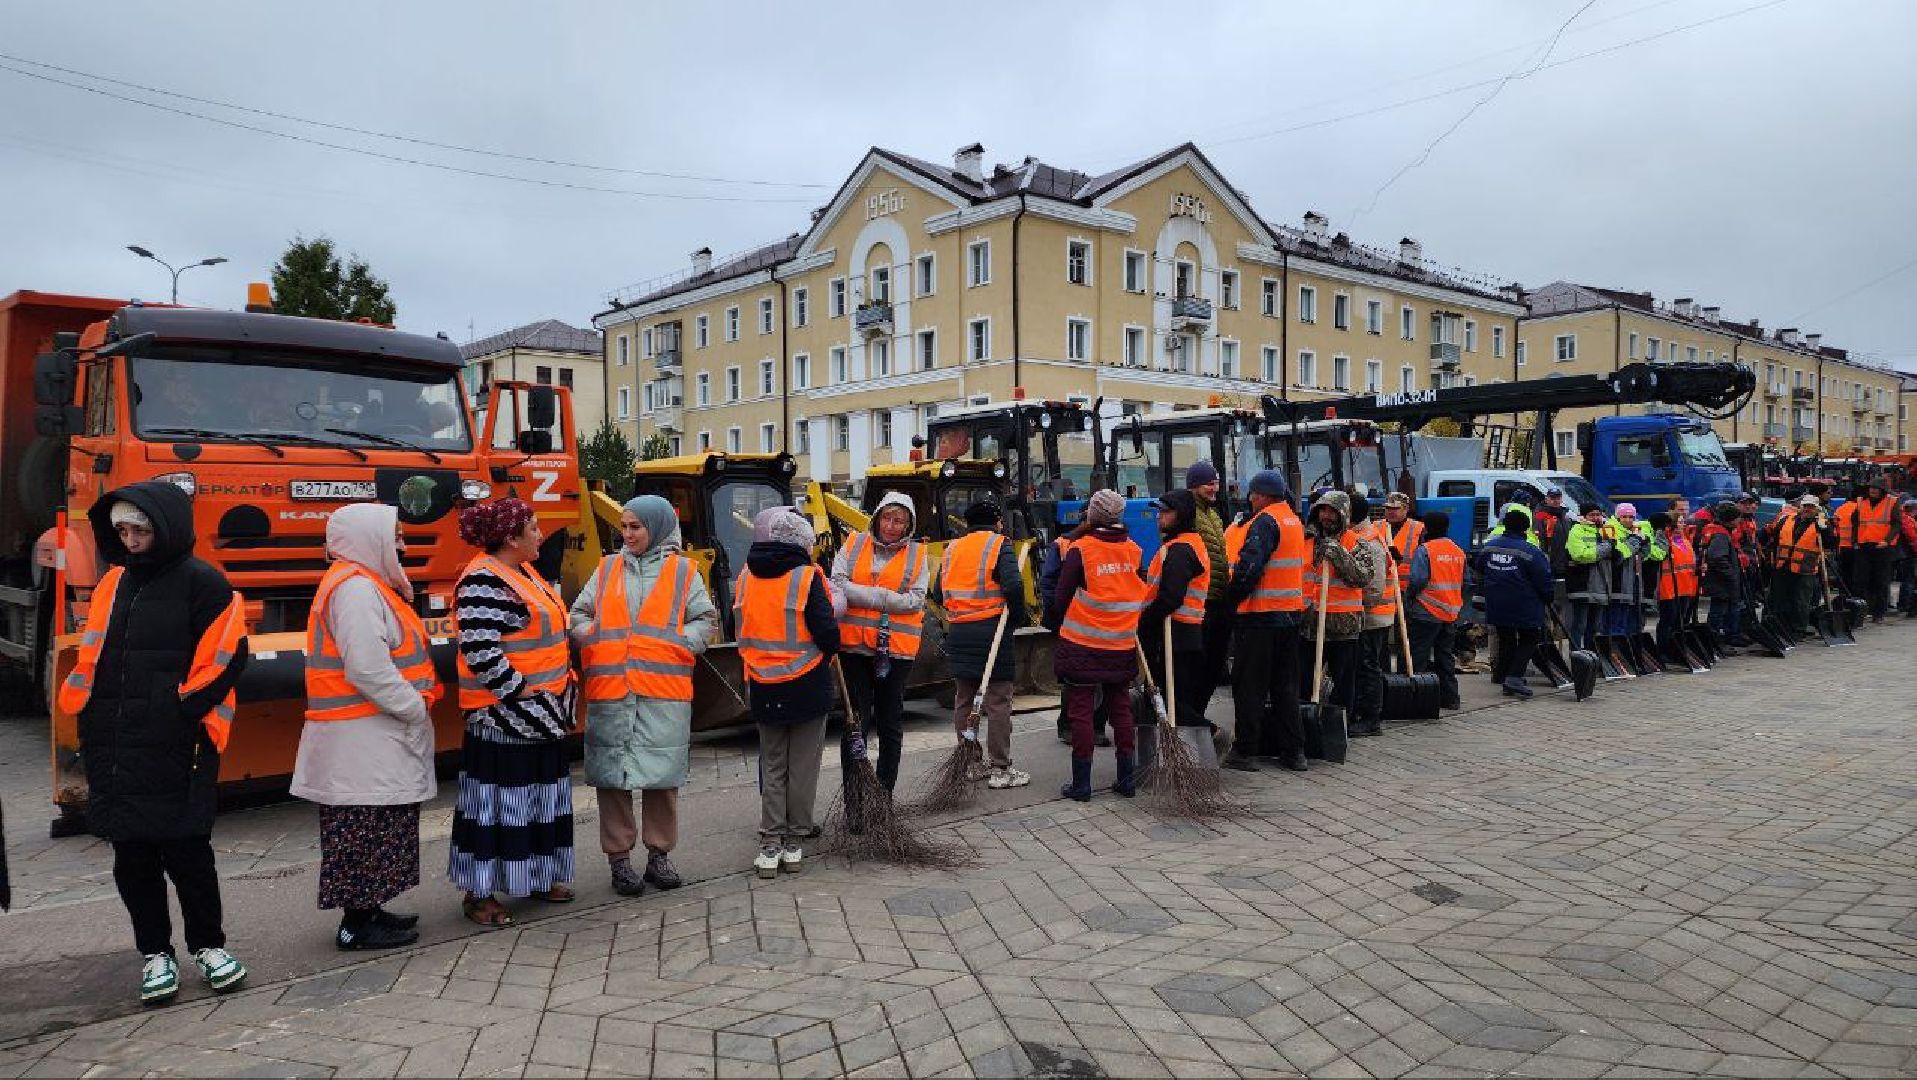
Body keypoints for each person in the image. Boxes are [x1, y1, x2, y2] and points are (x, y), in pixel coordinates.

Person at [63, 481, 250, 1004]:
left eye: (139, 529)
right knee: (133, 858)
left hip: (177, 744)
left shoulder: (204, 584)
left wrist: (180, 711)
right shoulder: (112, 582)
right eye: (121, 530)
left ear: (164, 527)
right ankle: (155, 954)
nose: (129, 539)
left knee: (188, 852)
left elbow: (227, 656)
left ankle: (209, 947)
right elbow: (96, 657)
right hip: (115, 744)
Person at [293, 503, 440, 951]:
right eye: (394, 534)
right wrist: (413, 707)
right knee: (362, 832)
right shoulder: (356, 590)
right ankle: (356, 924)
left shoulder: (363, 585)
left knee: (376, 828)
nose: (401, 542)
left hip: (367, 736)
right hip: (362, 737)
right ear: (367, 538)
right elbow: (367, 668)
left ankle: (370, 909)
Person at [570, 495, 717, 897]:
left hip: (661, 693)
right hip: (612, 690)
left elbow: (705, 622)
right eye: (625, 527)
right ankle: (619, 860)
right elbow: (578, 615)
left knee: (661, 779)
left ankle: (659, 856)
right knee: (612, 780)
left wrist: (676, 645)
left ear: (658, 527)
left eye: (636, 527)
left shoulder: (684, 572)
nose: (628, 534)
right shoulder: (606, 569)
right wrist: (593, 638)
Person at [449, 499, 578, 929]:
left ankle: (538, 876)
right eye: (535, 528)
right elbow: (482, 652)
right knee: (497, 807)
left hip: (542, 717)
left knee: (541, 803)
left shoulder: (523, 572)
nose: (541, 534)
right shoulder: (483, 580)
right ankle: (479, 893)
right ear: (511, 537)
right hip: (506, 719)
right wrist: (522, 695)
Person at [739, 507, 841, 877]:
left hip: (763, 683)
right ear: (801, 542)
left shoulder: (745, 577)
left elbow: (741, 628)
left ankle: (770, 843)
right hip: (806, 682)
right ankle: (795, 842)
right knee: (802, 767)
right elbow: (827, 633)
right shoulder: (806, 578)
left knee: (773, 764)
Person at [1045, 489, 1145, 801]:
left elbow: (1061, 597)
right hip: (1122, 643)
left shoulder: (1081, 549)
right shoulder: (1134, 550)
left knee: (1081, 712)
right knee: (1121, 709)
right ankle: (1127, 779)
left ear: (1093, 515)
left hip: (1083, 643)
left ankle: (1082, 784)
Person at [831, 493, 929, 804]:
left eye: (898, 520)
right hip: (854, 649)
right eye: (886, 518)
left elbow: (916, 600)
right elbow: (836, 583)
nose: (891, 525)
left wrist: (865, 595)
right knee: (855, 722)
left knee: (890, 722)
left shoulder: (917, 555)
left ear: (908, 525)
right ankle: (855, 803)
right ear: (876, 517)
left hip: (895, 653)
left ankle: (883, 798)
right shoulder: (853, 543)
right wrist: (887, 598)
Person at [935, 500, 1031, 790]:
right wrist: (1018, 616)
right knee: (998, 700)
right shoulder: (999, 544)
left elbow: (938, 593)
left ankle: (970, 763)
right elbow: (1013, 586)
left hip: (960, 630)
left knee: (964, 698)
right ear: (997, 521)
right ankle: (1000, 768)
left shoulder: (952, 549)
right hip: (993, 630)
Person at [1223, 470, 1310, 772]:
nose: (1250, 499)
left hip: (1260, 617)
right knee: (1285, 686)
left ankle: (1245, 751)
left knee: (1250, 686)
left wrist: (1230, 600)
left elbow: (1249, 566)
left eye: (1252, 495)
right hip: (1289, 616)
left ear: (1259, 495)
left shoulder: (1265, 522)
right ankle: (1294, 752)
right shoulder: (1293, 521)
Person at [1140, 490, 1212, 757]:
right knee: (1173, 696)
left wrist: (1145, 620)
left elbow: (1171, 596)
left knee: (1171, 697)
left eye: (1166, 512)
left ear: (1180, 515)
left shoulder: (1181, 549)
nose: (1160, 517)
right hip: (1182, 630)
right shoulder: (1183, 544)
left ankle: (1209, 734)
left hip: (1177, 631)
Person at [1303, 490, 1373, 728]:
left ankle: (1340, 724)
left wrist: (1339, 554)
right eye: (1322, 510)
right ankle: (1307, 724)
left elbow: (1363, 577)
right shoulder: (1307, 541)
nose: (1326, 516)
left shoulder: (1355, 542)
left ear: (1343, 513)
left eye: (1332, 511)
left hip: (1344, 625)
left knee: (1344, 682)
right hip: (1310, 624)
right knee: (1305, 679)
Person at [1473, 510, 1555, 698]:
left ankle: (1503, 675)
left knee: (1506, 638)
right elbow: (1543, 579)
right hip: (1524, 604)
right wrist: (1548, 597)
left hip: (1496, 602)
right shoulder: (1531, 552)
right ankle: (1514, 677)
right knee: (1529, 638)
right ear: (1526, 528)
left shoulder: (1488, 548)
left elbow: (1478, 569)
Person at [1402, 511, 1465, 710]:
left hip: (1425, 611)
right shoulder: (1457, 550)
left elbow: (1418, 580)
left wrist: (1409, 597)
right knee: (1445, 657)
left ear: (1426, 528)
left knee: (1417, 658)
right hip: (1450, 613)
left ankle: (1416, 700)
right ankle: (1451, 698)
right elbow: (1465, 581)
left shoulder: (1425, 550)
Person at [1186, 461, 1233, 718]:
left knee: (1214, 666)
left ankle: (1197, 714)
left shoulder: (1213, 515)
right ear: (1194, 486)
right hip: (1200, 602)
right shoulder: (1188, 514)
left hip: (1217, 600)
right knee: (1199, 665)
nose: (1214, 487)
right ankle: (1191, 716)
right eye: (1208, 483)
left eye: (1216, 482)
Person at [1350, 495, 1394, 738]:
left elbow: (1374, 589)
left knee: (1368, 667)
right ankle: (1362, 712)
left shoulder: (1369, 541)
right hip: (1365, 616)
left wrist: (1356, 606)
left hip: (1371, 616)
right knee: (1362, 666)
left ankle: (1371, 718)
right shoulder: (1359, 536)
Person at [1836, 479, 1898, 622]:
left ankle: (1878, 613)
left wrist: (1886, 541)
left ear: (1882, 491)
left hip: (1882, 547)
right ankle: (1859, 612)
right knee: (1860, 580)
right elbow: (1855, 521)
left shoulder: (1892, 502)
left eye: (1876, 489)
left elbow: (1896, 523)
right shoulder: (1861, 502)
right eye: (1871, 489)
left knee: (1881, 581)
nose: (1873, 491)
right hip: (1863, 546)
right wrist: (1855, 541)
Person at [1768, 495, 1825, 638]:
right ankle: (1781, 625)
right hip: (1783, 565)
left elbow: (1830, 541)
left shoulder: (1821, 523)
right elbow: (1774, 538)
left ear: (1817, 509)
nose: (1807, 509)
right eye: (1805, 506)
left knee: (1801, 600)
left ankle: (1799, 629)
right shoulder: (1787, 519)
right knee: (1780, 598)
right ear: (1801, 507)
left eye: (1811, 507)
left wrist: (1824, 525)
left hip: (1805, 568)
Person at [1562, 503, 1613, 652]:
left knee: (1594, 627)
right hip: (1582, 585)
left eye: (1598, 514)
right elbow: (1581, 555)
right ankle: (1577, 657)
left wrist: (1608, 548)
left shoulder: (1606, 531)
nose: (1596, 517)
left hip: (1601, 585)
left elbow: (1614, 554)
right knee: (1579, 625)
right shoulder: (1576, 531)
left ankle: (1591, 656)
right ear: (1583, 516)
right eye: (1592, 515)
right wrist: (1606, 547)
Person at [1649, 512, 1699, 657]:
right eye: (1680, 522)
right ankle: (1663, 650)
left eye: (1683, 522)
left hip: (1685, 586)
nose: (1683, 525)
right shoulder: (1665, 539)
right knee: (1668, 619)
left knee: (1680, 619)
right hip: (1668, 586)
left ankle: (1675, 648)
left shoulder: (1685, 539)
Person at [1698, 503, 1744, 652]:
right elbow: (1717, 557)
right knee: (1718, 612)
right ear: (1731, 520)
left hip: (1717, 579)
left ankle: (1716, 640)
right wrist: (1731, 574)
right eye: (1737, 518)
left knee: (1719, 611)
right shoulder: (1721, 535)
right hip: (1720, 581)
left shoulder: (1715, 530)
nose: (1739, 522)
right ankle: (1714, 642)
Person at [1534, 488, 1569, 575]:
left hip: (1563, 559)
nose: (1556, 501)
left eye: (1558, 498)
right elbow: (1539, 538)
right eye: (1552, 498)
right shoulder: (1540, 515)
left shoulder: (1564, 514)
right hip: (1549, 560)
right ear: (1546, 499)